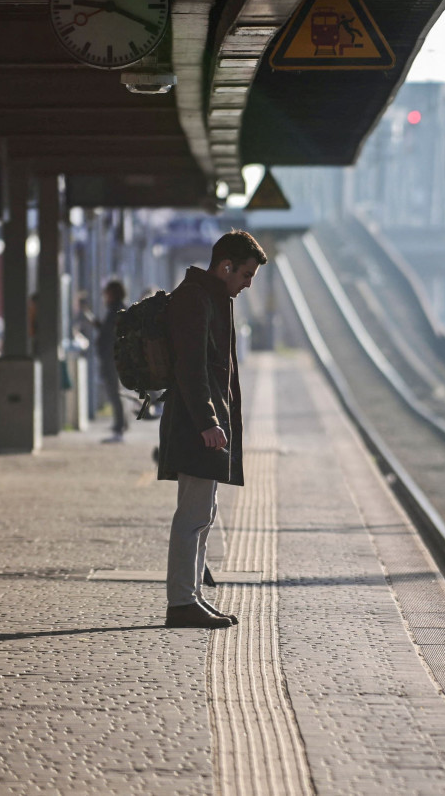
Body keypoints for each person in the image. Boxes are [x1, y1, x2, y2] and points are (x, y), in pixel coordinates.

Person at [158, 230, 266, 629]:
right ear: (226, 267)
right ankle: (181, 602)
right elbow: (191, 367)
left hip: (203, 425)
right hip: (195, 426)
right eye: (246, 275)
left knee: (204, 512)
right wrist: (208, 421)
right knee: (192, 515)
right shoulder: (195, 300)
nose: (248, 284)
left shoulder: (210, 298)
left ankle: (193, 597)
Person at [97, 281, 128, 443]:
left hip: (112, 358)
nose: (105, 297)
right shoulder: (117, 309)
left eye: (107, 293)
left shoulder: (116, 310)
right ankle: (121, 424)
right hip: (114, 357)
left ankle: (119, 427)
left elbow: (110, 335)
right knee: (115, 392)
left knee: (114, 392)